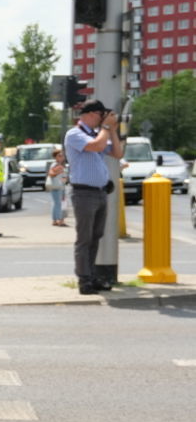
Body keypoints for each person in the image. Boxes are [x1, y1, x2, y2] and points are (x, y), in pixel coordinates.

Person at [63, 100, 123, 294]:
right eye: (100, 115)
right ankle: (84, 280)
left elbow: (117, 152)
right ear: (89, 114)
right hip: (83, 193)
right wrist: (106, 127)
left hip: (99, 192)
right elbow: (96, 147)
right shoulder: (75, 134)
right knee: (84, 239)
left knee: (95, 237)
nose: (101, 119)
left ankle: (91, 275)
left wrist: (112, 130)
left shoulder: (97, 134)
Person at [47, 148, 69, 227]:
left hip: (60, 186)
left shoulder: (60, 165)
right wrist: (59, 171)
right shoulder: (55, 164)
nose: (62, 157)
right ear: (55, 157)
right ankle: (59, 220)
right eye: (60, 156)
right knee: (58, 203)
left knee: (57, 203)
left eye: (62, 156)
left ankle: (56, 220)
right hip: (57, 186)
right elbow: (51, 173)